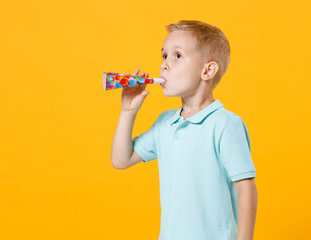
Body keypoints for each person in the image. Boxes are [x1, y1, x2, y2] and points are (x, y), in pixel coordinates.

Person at [111, 20, 258, 240]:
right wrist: (127, 112)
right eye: (164, 55)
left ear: (207, 70)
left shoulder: (225, 124)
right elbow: (121, 160)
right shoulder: (165, 124)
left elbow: (246, 189)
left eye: (177, 56)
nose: (164, 65)